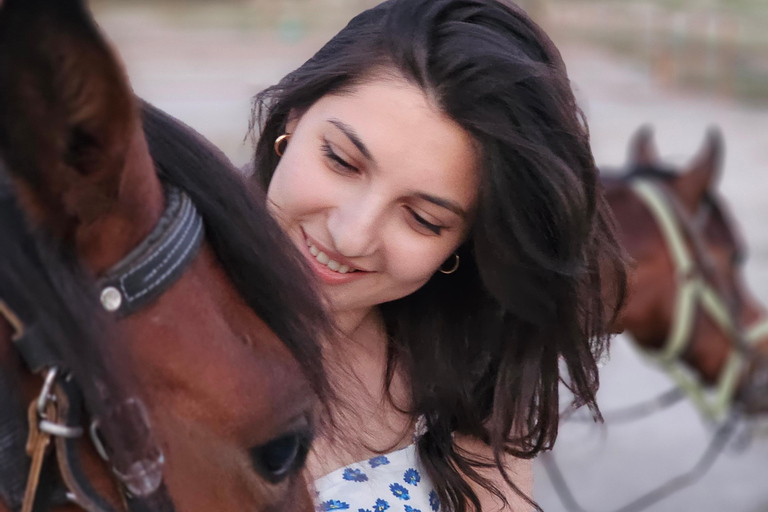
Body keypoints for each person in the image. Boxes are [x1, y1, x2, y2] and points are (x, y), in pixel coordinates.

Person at [249, 0, 628, 510]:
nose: (353, 236)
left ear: (463, 246)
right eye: (341, 161)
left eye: (423, 219)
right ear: (294, 118)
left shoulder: (464, 373)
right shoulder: (137, 307)